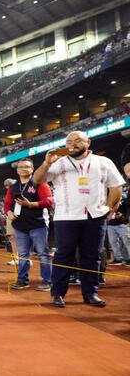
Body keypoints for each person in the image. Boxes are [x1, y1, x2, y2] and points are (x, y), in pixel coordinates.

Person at [33, 131, 124, 307]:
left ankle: (91, 293)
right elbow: (38, 180)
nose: (72, 144)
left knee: (92, 255)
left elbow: (116, 186)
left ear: (88, 142)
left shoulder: (103, 162)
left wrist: (108, 209)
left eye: (77, 140)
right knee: (63, 255)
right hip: (66, 216)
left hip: (95, 215)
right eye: (68, 141)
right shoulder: (60, 162)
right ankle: (58, 293)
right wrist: (46, 163)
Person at [4, 159, 54, 291]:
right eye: (21, 167)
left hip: (38, 224)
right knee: (22, 254)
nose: (23, 169)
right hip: (20, 225)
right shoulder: (13, 187)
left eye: (27, 167)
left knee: (43, 253)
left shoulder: (40, 183)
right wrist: (8, 213)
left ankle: (47, 281)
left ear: (32, 169)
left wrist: (32, 205)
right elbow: (7, 203)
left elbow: (49, 201)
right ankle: (22, 280)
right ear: (17, 170)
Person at [106, 190, 129, 265]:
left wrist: (122, 215)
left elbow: (127, 212)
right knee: (113, 242)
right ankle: (118, 258)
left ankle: (128, 258)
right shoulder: (107, 200)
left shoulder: (125, 201)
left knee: (127, 241)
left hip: (122, 224)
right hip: (110, 225)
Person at [3, 178, 18, 265]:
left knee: (21, 237)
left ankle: (23, 258)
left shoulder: (20, 187)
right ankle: (15, 258)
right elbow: (7, 203)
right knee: (13, 237)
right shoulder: (9, 191)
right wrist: (9, 212)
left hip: (22, 214)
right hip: (11, 214)